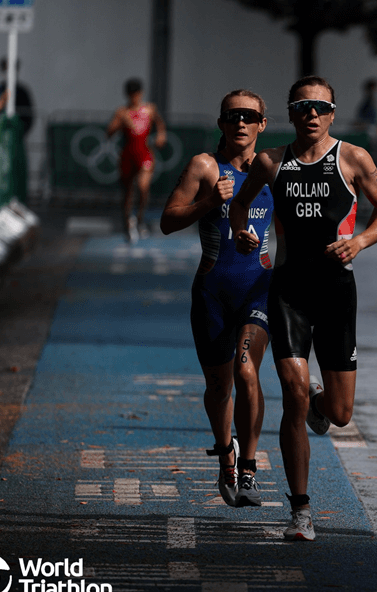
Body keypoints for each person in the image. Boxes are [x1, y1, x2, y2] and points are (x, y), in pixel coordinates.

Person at [230, 76, 377, 541]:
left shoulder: (353, 158)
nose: (311, 114)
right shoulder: (271, 162)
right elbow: (240, 206)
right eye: (302, 106)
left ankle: (323, 404)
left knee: (340, 412)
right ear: (291, 113)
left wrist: (360, 240)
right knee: (293, 391)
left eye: (320, 107)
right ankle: (300, 510)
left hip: (336, 293)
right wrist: (244, 234)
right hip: (288, 292)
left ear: (332, 113)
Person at [160, 89, 274, 509]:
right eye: (232, 116)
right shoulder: (204, 166)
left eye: (249, 116)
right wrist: (211, 201)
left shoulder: (277, 167)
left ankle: (248, 467)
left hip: (257, 287)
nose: (240, 123)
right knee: (218, 386)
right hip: (211, 290)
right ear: (221, 123)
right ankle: (225, 450)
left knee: (247, 372)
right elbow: (168, 220)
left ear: (263, 123)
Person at [107, 78, 166, 244]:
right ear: (127, 95)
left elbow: (160, 125)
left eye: (137, 94)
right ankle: (128, 223)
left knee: (143, 187)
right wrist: (120, 124)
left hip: (144, 154)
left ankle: (139, 219)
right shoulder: (121, 112)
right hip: (127, 156)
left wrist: (161, 135)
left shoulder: (149, 109)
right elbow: (108, 132)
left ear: (141, 94)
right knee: (127, 193)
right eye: (131, 94)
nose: (134, 97)